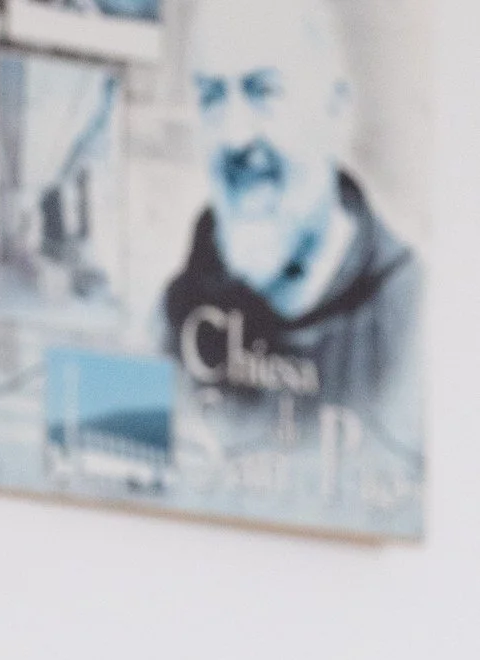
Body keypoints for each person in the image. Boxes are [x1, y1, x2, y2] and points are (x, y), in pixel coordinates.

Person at [160, 0, 420, 439]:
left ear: (336, 111)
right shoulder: (170, 318)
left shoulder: (416, 325)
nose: (235, 136)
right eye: (212, 96)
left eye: (264, 92)